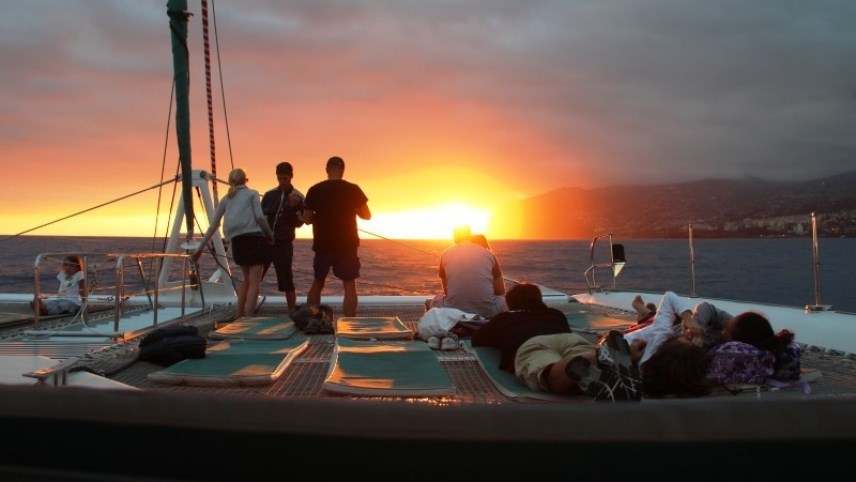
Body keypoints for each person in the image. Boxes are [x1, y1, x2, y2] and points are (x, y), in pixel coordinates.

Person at [472, 282, 642, 402]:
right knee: (577, 354)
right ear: (539, 300)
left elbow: (477, 340)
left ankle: (595, 358)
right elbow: (565, 331)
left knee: (549, 374)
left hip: (533, 344)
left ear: (510, 304)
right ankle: (597, 356)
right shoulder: (555, 314)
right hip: (569, 338)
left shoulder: (504, 318)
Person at [193, 168, 274, 318]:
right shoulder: (252, 194)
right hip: (254, 240)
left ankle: (238, 314)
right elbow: (261, 218)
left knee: (246, 280)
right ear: (246, 180)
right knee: (255, 281)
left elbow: (213, 226)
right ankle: (248, 317)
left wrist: (200, 248)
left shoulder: (226, 199)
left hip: (237, 243)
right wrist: (270, 235)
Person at [302, 156, 371, 317]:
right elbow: (366, 215)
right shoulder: (353, 189)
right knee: (349, 284)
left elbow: (306, 219)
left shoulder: (314, 190)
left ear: (326, 170)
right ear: (343, 170)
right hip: (347, 244)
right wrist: (352, 210)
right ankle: (350, 323)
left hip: (323, 244)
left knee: (318, 282)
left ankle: (313, 320)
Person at [427, 225, 507, 319]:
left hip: (454, 311)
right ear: (470, 236)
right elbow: (501, 290)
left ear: (454, 237)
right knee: (503, 300)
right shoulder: (489, 254)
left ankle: (438, 329)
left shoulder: (445, 254)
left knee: (429, 302)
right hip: (487, 312)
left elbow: (447, 291)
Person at [261, 161, 305, 311]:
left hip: (284, 244)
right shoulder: (269, 195)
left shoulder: (299, 197)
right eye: (280, 178)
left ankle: (292, 311)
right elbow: (261, 215)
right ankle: (247, 309)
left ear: (291, 177)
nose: (282, 182)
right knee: (255, 276)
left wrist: (292, 208)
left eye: (285, 178)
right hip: (266, 243)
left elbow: (300, 222)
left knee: (286, 279)